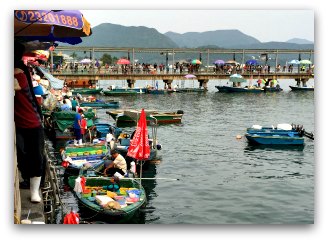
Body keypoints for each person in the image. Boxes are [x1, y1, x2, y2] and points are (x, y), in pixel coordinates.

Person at [14, 41, 45, 203]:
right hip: (21, 121)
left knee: (35, 156)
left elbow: (16, 86)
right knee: (22, 153)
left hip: (32, 121)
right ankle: (29, 183)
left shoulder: (19, 70)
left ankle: (34, 191)